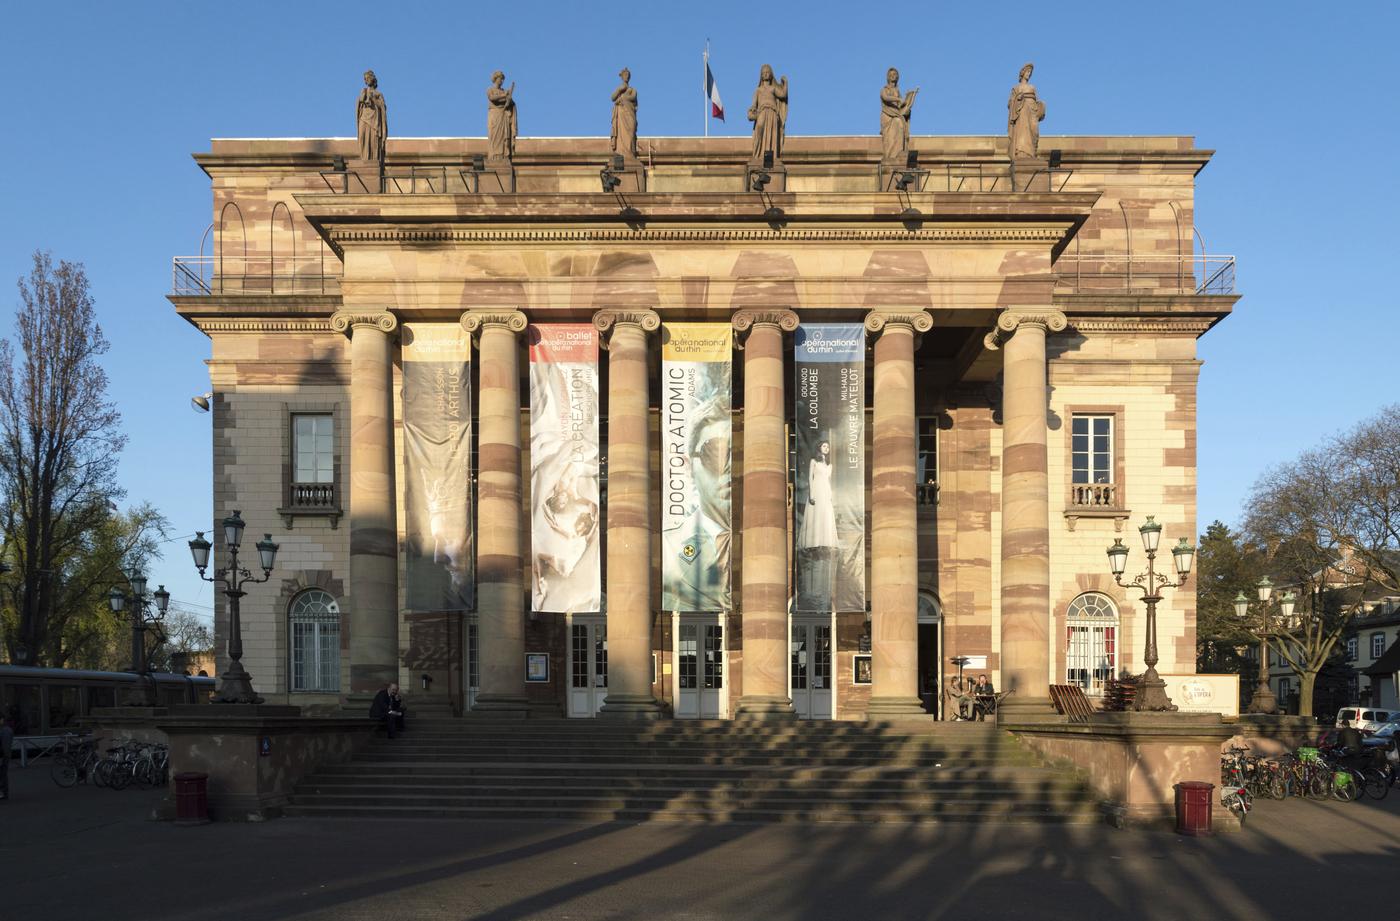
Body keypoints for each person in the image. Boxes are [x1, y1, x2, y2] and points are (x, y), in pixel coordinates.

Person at [610, 67, 638, 160]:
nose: (626, 76)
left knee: (631, 132)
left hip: (630, 113)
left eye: (628, 75)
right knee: (621, 133)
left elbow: (633, 98)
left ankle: (630, 153)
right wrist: (619, 89)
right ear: (622, 77)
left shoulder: (632, 89)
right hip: (621, 114)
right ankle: (621, 153)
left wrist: (622, 98)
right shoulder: (620, 88)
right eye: (625, 75)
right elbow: (612, 98)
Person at [0, 714, 13, 801]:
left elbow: (5, 746)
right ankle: (4, 793)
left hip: (2, 756)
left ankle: (3, 793)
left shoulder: (4, 730)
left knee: (2, 774)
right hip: (4, 755)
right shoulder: (8, 730)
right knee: (3, 774)